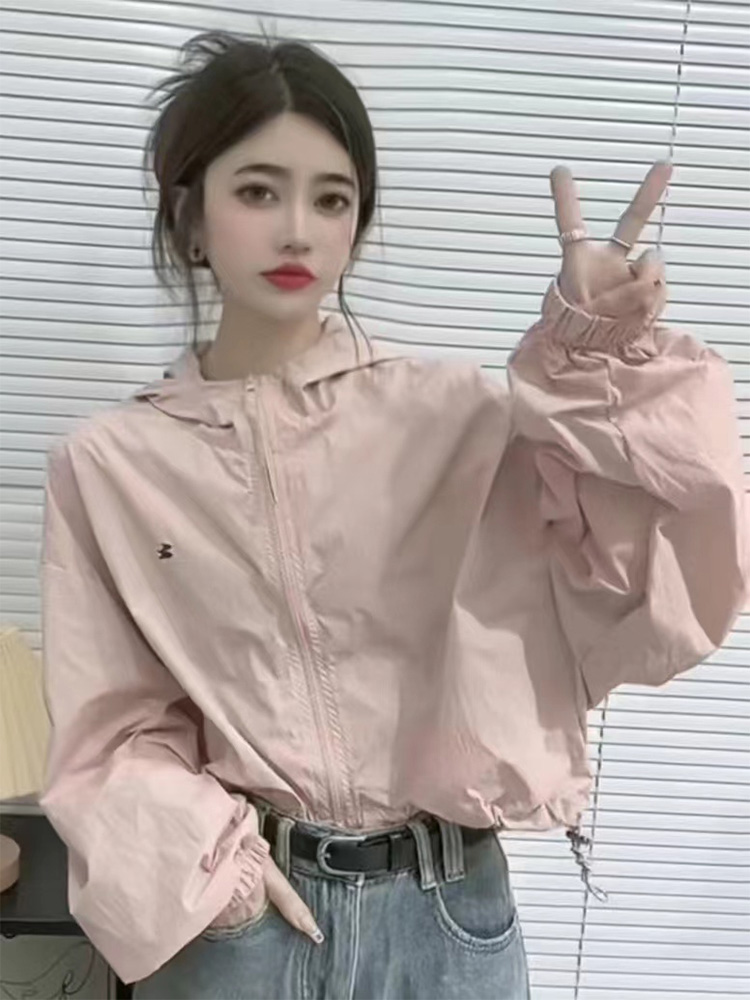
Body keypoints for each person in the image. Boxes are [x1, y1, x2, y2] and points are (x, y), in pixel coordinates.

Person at [37, 28, 748, 1000]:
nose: (298, 229)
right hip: (244, 925)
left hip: (449, 917)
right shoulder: (112, 465)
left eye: (332, 198)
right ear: (190, 215)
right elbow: (110, 731)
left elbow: (648, 594)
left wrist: (599, 366)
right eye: (259, 191)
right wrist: (223, 888)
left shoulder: (457, 418)